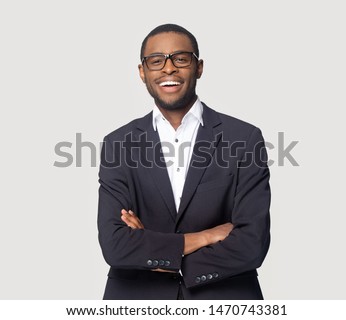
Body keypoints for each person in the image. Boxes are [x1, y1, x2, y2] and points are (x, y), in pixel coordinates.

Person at [97, 24, 271, 300]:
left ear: (198, 67)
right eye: (156, 61)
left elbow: (252, 243)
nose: (168, 69)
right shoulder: (117, 143)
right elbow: (115, 245)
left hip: (224, 299)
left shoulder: (245, 138)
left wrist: (158, 255)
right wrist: (205, 237)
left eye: (180, 59)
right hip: (136, 300)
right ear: (142, 73)